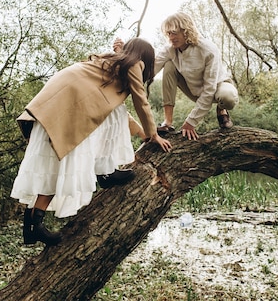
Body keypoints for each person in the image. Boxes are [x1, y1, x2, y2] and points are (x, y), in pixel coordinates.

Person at [11, 38, 172, 247]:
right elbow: (140, 100)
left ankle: (30, 230)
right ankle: (104, 171)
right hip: (69, 105)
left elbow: (116, 112)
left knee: (52, 165)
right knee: (59, 165)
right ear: (146, 60)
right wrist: (153, 135)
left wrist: (145, 135)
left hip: (55, 103)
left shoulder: (110, 64)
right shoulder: (133, 64)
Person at [114, 12, 238, 141]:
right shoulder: (170, 49)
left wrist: (191, 122)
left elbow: (209, 90)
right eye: (168, 34)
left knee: (227, 98)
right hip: (193, 89)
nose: (171, 37)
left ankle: (221, 110)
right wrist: (124, 55)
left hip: (217, 88)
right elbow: (148, 71)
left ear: (186, 31)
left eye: (174, 33)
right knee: (169, 65)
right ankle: (168, 122)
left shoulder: (208, 50)